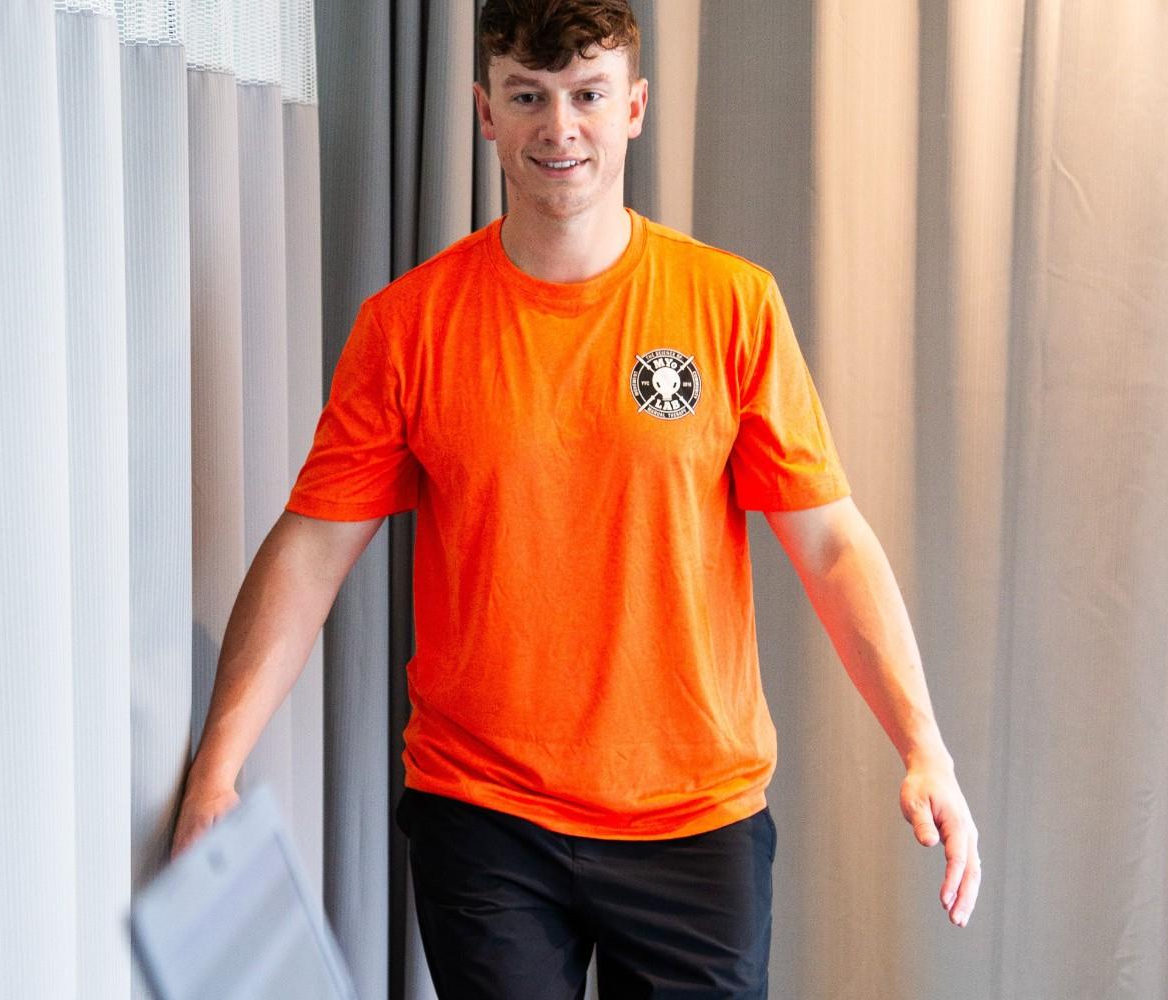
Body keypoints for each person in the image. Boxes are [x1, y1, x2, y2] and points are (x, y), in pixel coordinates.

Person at [172, 1, 980, 996]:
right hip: (485, 814)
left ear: (633, 107)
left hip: (695, 819)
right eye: (529, 97)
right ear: (485, 113)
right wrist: (216, 767)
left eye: (588, 96)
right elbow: (309, 552)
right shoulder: (409, 327)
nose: (561, 128)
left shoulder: (731, 306)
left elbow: (832, 547)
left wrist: (923, 747)